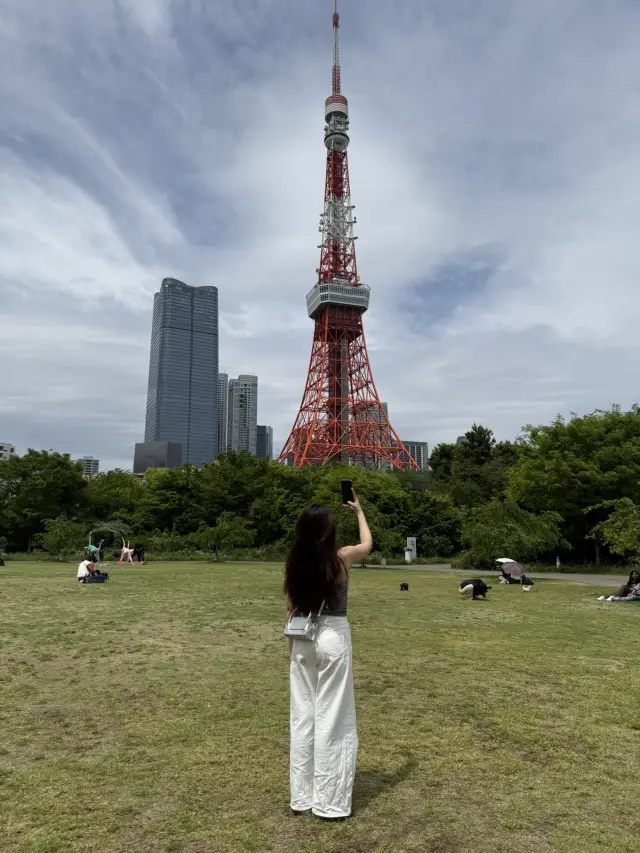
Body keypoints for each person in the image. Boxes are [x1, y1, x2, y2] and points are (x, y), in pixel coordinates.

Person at [284, 493, 372, 820]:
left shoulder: (294, 563)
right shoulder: (341, 559)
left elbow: (289, 607)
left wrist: (291, 651)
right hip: (333, 636)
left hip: (302, 639)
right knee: (333, 716)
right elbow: (367, 544)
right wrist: (359, 511)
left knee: (303, 716)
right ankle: (329, 802)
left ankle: (301, 797)